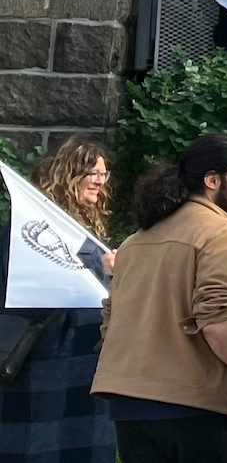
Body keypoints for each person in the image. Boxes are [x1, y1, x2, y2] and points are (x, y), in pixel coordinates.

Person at [94, 133, 227, 462]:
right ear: (212, 180)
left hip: (130, 408)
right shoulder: (220, 232)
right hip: (199, 409)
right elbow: (218, 325)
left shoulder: (135, 241)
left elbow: (110, 325)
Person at [0, 138, 117, 463]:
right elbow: (31, 280)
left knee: (83, 441)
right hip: (48, 350)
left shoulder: (83, 226)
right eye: (90, 172)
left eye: (103, 174)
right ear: (67, 173)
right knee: (39, 441)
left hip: (84, 351)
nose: (98, 180)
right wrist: (101, 269)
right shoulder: (34, 225)